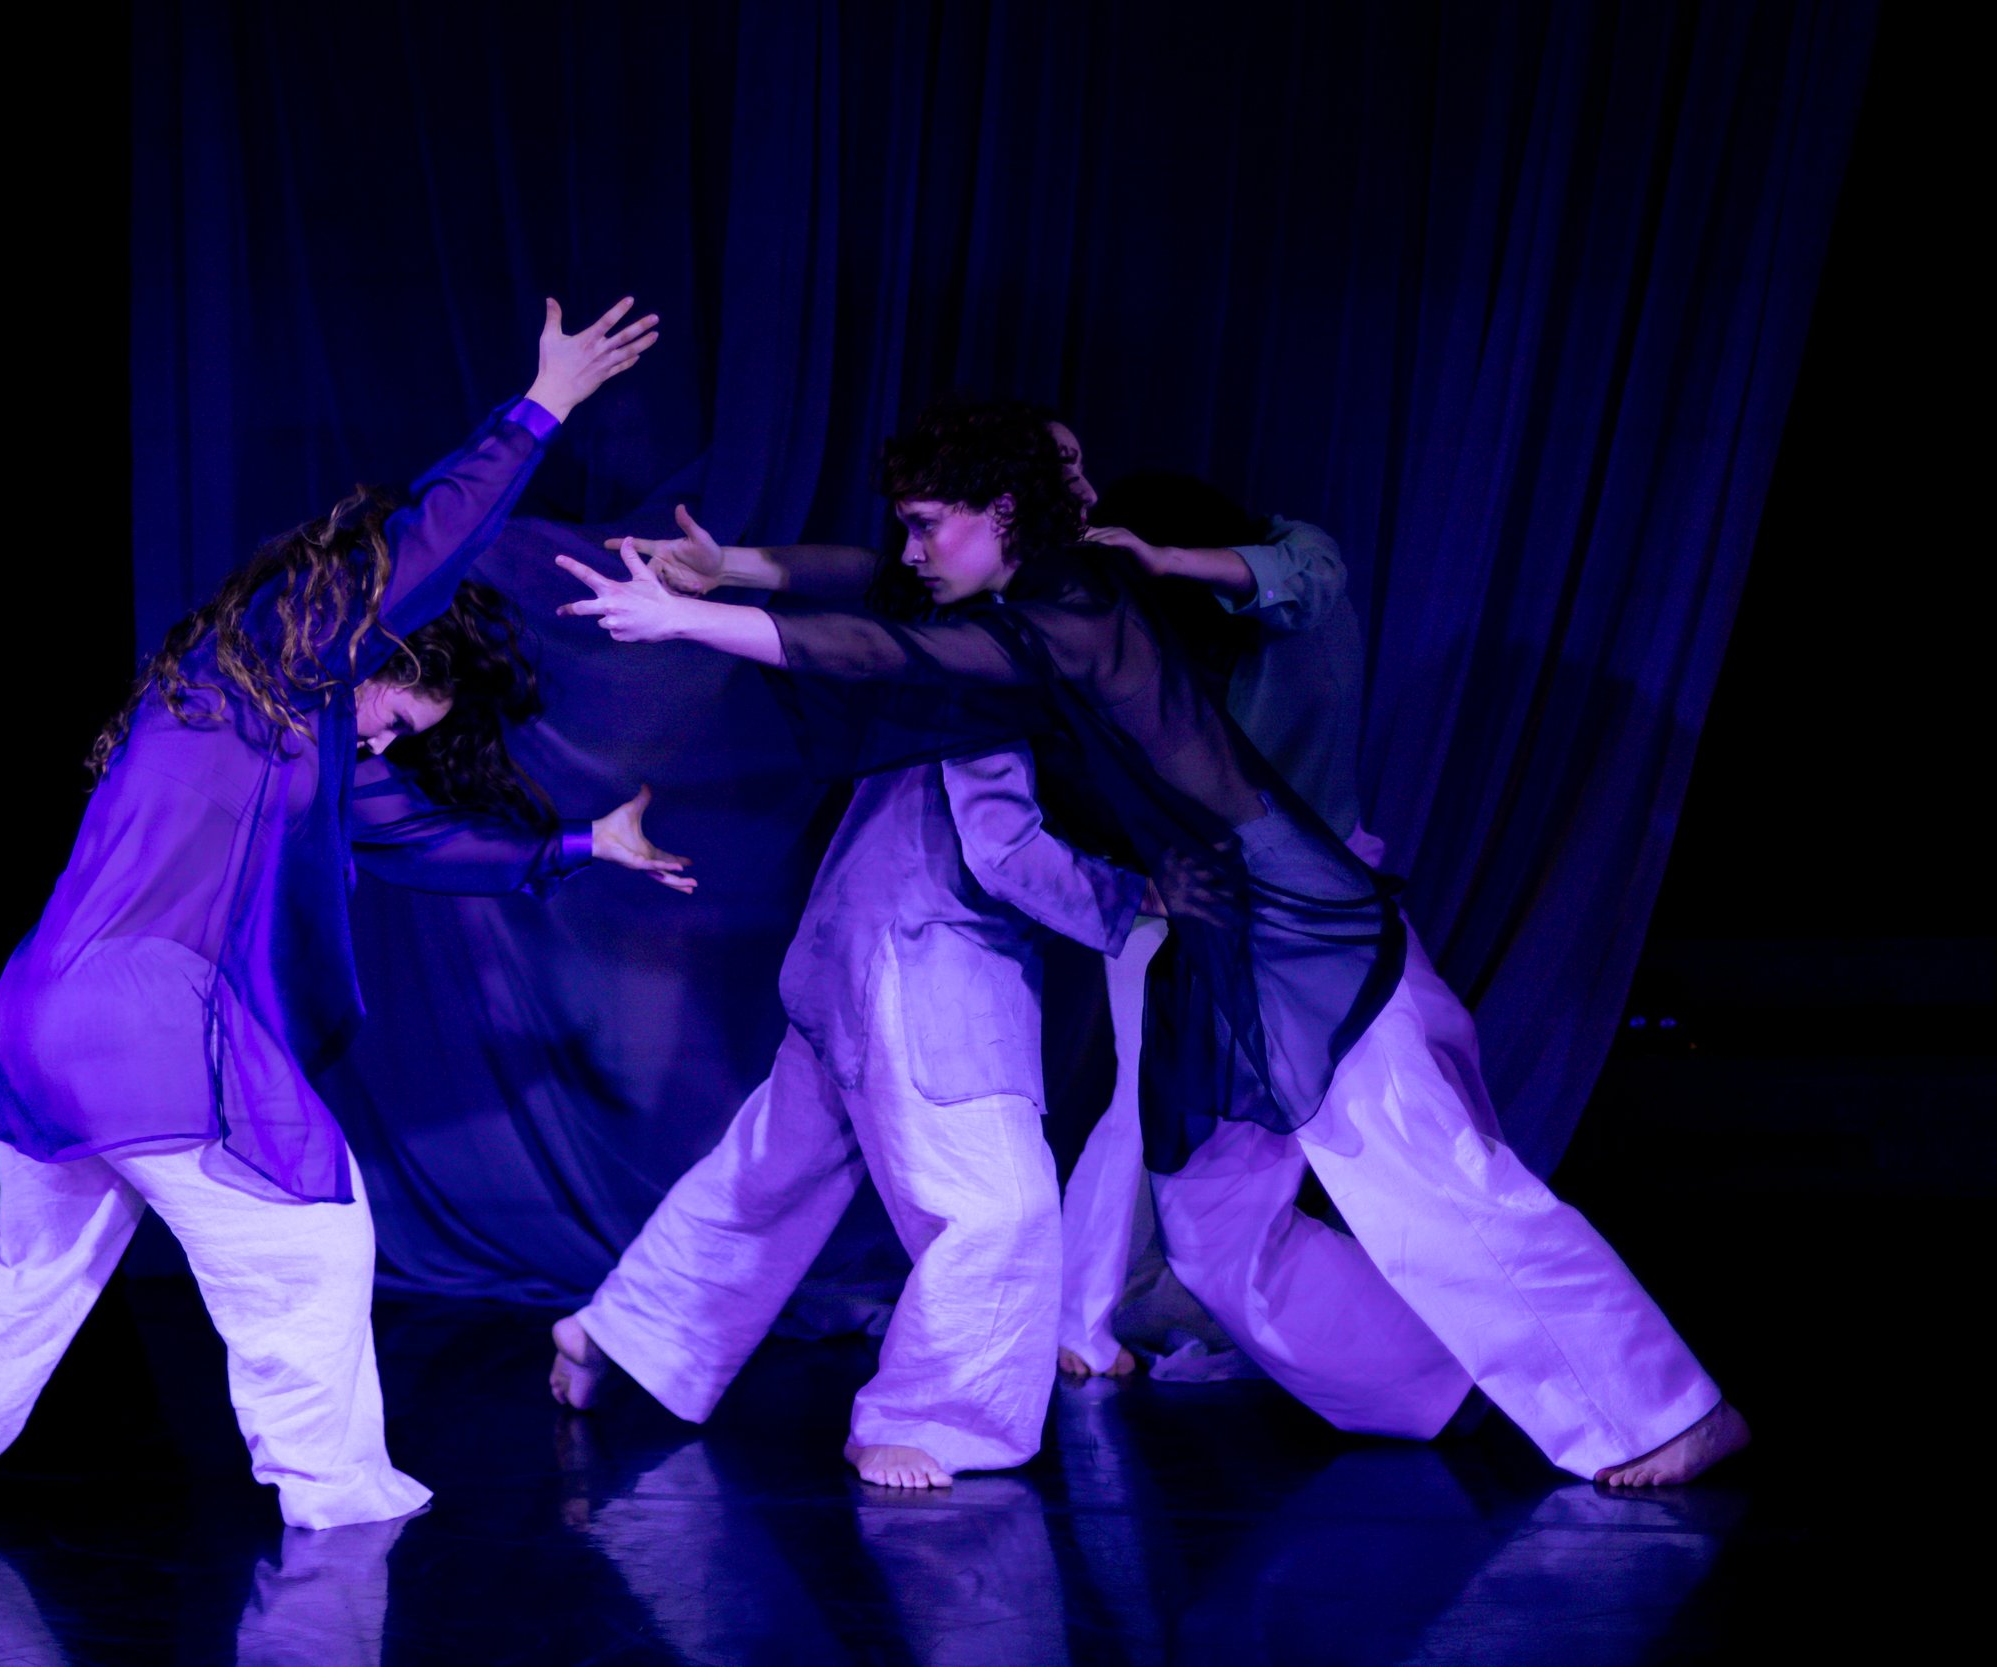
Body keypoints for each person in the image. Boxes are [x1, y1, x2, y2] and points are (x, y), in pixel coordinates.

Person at [555, 396, 1749, 1488]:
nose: (912, 549)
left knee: (1432, 1175)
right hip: (1203, 934)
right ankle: (1434, 1388)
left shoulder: (1074, 606)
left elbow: (898, 646)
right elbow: (881, 587)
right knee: (1217, 1226)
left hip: (1288, 921)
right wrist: (744, 569)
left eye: (931, 524)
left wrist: (695, 617)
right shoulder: (1018, 598)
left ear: (1001, 512)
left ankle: (1661, 1409)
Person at [0, 297, 686, 1532]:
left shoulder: (257, 729)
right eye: (393, 717)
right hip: (142, 1021)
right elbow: (416, 546)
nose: (381, 739)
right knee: (309, 1236)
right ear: (378, 650)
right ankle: (335, 1494)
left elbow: (418, 839)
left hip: (37, 1019)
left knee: (26, 1274)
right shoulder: (273, 654)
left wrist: (583, 843)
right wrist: (538, 410)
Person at [546, 529, 1150, 1489]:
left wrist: (739, 571)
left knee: (772, 1170)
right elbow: (1002, 846)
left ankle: (616, 1330)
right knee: (999, 1206)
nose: (1080, 499)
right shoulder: (991, 646)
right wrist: (1132, 897)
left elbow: (861, 575)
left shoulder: (957, 626)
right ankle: (924, 1419)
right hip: (923, 962)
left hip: (853, 938)